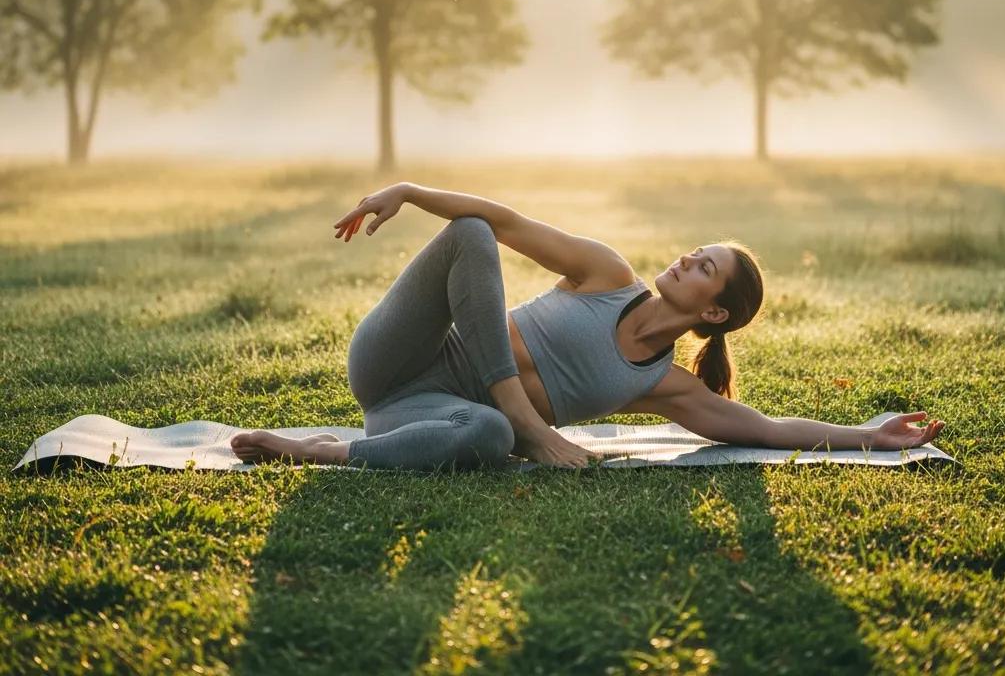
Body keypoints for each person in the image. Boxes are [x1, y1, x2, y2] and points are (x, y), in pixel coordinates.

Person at [230, 182, 944, 469]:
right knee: (474, 234)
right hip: (399, 356)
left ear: (714, 313)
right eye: (698, 249)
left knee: (488, 435)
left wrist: (868, 436)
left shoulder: (664, 386)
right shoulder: (606, 272)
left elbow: (763, 429)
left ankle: (311, 452)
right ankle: (524, 423)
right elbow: (501, 222)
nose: (689, 255)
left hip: (424, 415)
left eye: (706, 268)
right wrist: (408, 192)